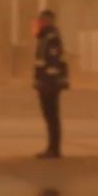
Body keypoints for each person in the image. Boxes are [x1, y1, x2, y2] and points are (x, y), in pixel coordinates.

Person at [32, 8, 68, 159]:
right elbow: (40, 63)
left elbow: (53, 63)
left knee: (52, 117)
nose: (38, 23)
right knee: (49, 117)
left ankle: (54, 149)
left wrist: (48, 84)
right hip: (45, 84)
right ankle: (51, 147)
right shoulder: (44, 37)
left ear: (47, 21)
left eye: (41, 20)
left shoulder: (51, 38)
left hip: (50, 85)